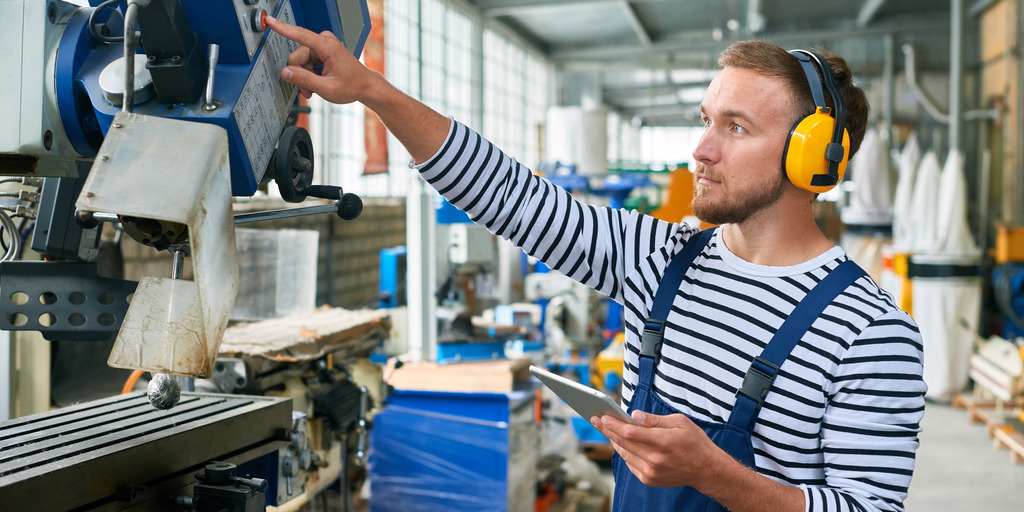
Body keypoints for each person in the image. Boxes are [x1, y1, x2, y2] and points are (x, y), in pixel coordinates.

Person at [267, 15, 926, 512]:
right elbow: (510, 194)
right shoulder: (660, 260)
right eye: (705, 120)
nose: (700, 149)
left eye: (735, 127)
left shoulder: (870, 331)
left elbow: (867, 507)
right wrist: (373, 92)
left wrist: (712, 472)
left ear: (812, 157)